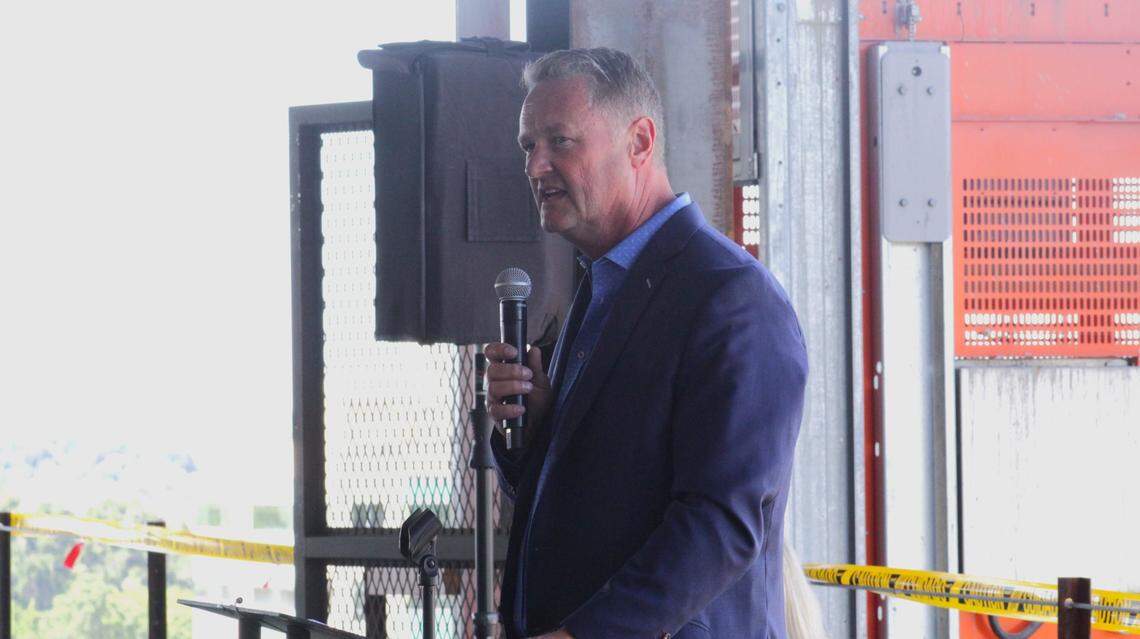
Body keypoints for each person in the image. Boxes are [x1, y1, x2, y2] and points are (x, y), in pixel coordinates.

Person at [485, 47, 808, 639]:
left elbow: (722, 523)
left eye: (560, 141)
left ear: (639, 142)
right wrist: (533, 439)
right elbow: (594, 500)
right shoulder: (600, 289)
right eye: (528, 146)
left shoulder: (731, 299)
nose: (536, 167)